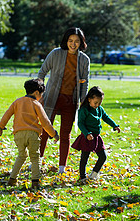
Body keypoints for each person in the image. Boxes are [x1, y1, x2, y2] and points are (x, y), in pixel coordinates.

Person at [38, 27, 90, 174]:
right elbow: (42, 72)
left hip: (71, 101)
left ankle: (62, 167)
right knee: (45, 130)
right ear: (66, 41)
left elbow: (84, 82)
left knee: (65, 133)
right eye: (70, 41)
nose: (73, 44)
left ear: (81, 43)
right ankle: (38, 161)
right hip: (51, 98)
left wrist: (83, 102)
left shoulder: (84, 60)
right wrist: (39, 95)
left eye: (76, 41)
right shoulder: (55, 54)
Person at [0, 78, 59, 190]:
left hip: (18, 134)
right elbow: (45, 122)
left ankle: (12, 179)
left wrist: (0, 127)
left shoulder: (17, 102)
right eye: (41, 94)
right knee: (35, 157)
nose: (41, 97)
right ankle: (35, 182)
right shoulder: (36, 104)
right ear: (36, 93)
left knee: (21, 155)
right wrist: (53, 134)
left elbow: (7, 115)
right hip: (33, 135)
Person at [72, 86, 121, 182]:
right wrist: (87, 133)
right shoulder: (84, 110)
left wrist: (114, 125)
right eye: (95, 102)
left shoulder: (99, 109)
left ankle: (94, 174)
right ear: (89, 99)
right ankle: (82, 177)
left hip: (96, 138)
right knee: (84, 158)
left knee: (103, 156)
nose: (97, 105)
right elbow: (80, 123)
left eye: (99, 103)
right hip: (87, 137)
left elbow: (106, 117)